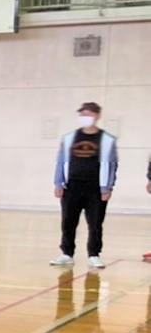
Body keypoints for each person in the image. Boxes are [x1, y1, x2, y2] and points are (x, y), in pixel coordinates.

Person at [51, 101, 117, 269]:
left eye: (89, 114)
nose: (85, 117)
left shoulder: (107, 140)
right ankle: (67, 253)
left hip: (95, 188)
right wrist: (58, 183)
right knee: (68, 221)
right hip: (72, 186)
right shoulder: (69, 138)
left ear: (97, 115)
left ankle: (94, 255)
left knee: (95, 223)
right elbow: (60, 161)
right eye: (83, 114)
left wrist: (108, 187)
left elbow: (112, 165)